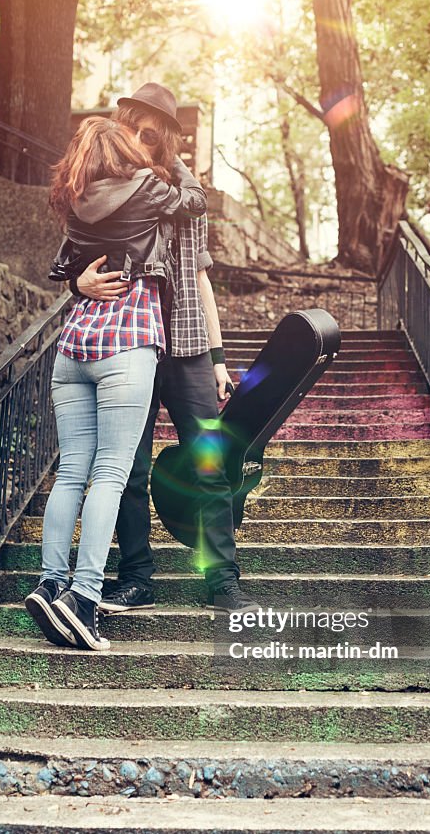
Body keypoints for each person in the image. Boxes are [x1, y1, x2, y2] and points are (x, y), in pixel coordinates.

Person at [70, 83, 260, 616]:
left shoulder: (186, 193)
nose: (142, 135)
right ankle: (135, 576)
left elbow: (200, 278)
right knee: (126, 466)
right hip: (128, 344)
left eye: (154, 129)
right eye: (134, 124)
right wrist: (77, 284)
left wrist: (219, 358)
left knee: (210, 463)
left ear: (169, 136)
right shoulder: (107, 186)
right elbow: (79, 257)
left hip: (188, 347)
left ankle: (223, 579)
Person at [24, 115, 207, 651]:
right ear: (120, 151)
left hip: (75, 345)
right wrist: (174, 161)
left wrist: (79, 280)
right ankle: (82, 598)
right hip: (126, 342)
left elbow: (64, 269)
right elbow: (195, 201)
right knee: (109, 473)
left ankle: (50, 582)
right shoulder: (147, 188)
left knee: (71, 472)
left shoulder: (75, 199)